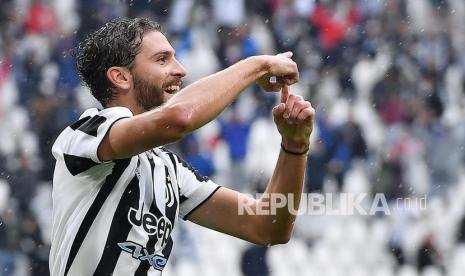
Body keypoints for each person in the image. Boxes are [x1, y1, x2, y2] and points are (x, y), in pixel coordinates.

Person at [49, 17, 315, 276]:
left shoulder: (169, 169)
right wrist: (259, 64)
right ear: (121, 77)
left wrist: (294, 146)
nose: (180, 69)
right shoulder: (85, 134)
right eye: (162, 59)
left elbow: (267, 227)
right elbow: (179, 118)